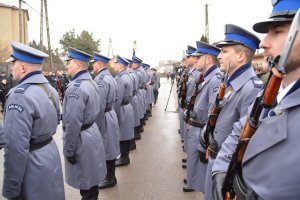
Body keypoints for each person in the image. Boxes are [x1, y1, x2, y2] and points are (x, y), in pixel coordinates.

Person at [212, 1, 300, 199]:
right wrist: (221, 171)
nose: (263, 43)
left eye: (277, 32)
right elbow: (239, 132)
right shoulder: (270, 94)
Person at [199, 24, 263, 200]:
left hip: (228, 172)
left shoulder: (250, 88)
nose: (219, 56)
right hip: (217, 161)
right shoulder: (229, 82)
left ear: (241, 56)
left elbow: (246, 141)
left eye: (225, 51)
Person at [3, 42, 65, 200]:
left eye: (14, 64)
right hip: (50, 155)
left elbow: (15, 148)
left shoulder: (19, 95)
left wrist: (11, 190)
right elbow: (56, 120)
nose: (11, 68)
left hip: (32, 165)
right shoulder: (49, 89)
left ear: (23, 67)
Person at [62, 47, 106, 200]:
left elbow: (73, 123)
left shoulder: (76, 88)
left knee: (86, 184)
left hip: (82, 138)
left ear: (77, 65)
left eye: (69, 63)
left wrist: (68, 150)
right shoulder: (91, 81)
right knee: (91, 180)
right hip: (91, 132)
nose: (66, 66)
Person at [184, 41, 222, 193]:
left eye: (198, 58)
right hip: (197, 127)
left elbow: (213, 113)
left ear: (208, 60)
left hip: (202, 131)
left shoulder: (215, 79)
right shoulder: (205, 77)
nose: (195, 60)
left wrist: (207, 139)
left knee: (204, 175)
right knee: (198, 172)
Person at [91, 53, 120, 189]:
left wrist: (95, 125)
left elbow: (100, 105)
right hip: (110, 113)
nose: (92, 65)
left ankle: (110, 178)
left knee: (108, 147)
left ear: (100, 64)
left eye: (94, 63)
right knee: (110, 146)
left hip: (104, 115)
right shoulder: (108, 76)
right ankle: (109, 176)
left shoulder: (101, 79)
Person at [113, 56, 135, 167]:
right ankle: (125, 156)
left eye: (116, 64)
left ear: (120, 66)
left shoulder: (120, 79)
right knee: (125, 133)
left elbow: (117, 100)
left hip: (121, 108)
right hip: (127, 106)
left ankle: (124, 158)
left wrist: (115, 116)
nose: (113, 66)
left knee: (123, 134)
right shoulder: (128, 76)